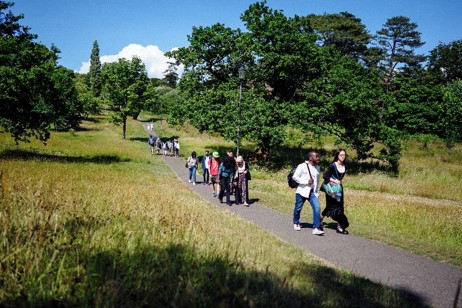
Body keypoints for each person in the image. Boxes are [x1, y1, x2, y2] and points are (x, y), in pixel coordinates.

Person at [292, 151, 324, 235]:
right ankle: (296, 222)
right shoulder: (302, 166)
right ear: (310, 158)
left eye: (318, 157)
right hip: (302, 191)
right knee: (298, 208)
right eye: (316, 157)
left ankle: (316, 228)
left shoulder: (317, 168)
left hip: (312, 192)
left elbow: (317, 181)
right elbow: (295, 177)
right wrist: (306, 182)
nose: (318, 158)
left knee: (317, 207)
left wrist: (316, 192)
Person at [321, 149, 349, 234]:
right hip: (331, 189)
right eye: (341, 155)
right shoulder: (333, 165)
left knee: (340, 207)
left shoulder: (345, 165)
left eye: (344, 155)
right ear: (337, 155)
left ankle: (339, 226)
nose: (343, 157)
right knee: (330, 206)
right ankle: (320, 219)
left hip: (339, 190)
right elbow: (325, 176)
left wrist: (338, 183)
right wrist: (334, 180)